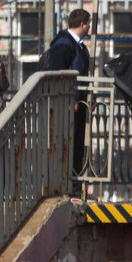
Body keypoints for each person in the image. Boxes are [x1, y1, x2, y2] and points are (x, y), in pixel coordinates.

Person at [46, 9, 92, 177]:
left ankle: (74, 182)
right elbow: (58, 74)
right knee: (66, 143)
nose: (89, 27)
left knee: (76, 144)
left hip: (77, 104)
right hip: (66, 105)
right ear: (82, 24)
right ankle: (64, 181)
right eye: (88, 24)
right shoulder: (64, 44)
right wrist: (67, 100)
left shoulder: (78, 45)